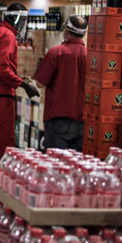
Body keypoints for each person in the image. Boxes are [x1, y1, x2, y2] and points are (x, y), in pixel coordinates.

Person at [0, 3, 39, 202]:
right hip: (0, 96)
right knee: (3, 143)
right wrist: (23, 84)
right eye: (22, 20)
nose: (23, 24)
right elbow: (2, 69)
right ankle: (4, 186)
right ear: (17, 18)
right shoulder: (9, 36)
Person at [33, 15, 88, 151]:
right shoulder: (91, 56)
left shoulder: (55, 53)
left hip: (58, 120)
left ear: (67, 31)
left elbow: (39, 83)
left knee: (56, 166)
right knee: (76, 167)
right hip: (83, 121)